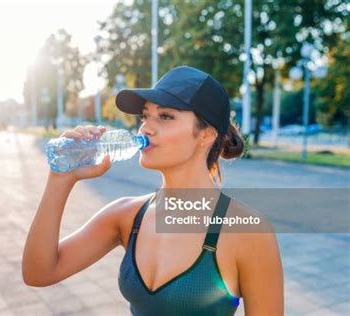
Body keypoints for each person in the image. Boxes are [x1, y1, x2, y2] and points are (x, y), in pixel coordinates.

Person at [22, 66, 284, 315]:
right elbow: (39, 272)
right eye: (145, 115)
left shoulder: (249, 232)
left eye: (165, 116)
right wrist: (60, 180)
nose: (145, 127)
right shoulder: (126, 215)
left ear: (206, 135)